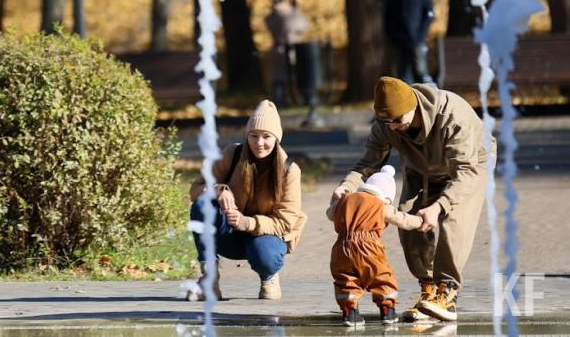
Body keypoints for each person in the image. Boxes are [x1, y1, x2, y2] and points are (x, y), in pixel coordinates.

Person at [330, 77, 492, 323]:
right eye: (387, 122)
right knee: (408, 216)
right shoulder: (386, 124)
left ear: (414, 106)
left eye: (398, 120)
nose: (393, 127)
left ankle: (447, 292)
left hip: (469, 165)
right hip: (421, 167)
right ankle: (428, 288)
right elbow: (367, 164)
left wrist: (439, 206)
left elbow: (465, 171)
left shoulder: (451, 115)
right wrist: (346, 186)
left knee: (453, 221)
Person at [187, 100, 307, 301]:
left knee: (265, 254)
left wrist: (247, 222)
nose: (259, 143)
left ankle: (268, 276)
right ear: (247, 135)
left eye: (266, 137)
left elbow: (286, 221)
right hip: (230, 235)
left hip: (265, 238)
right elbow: (196, 189)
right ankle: (210, 279)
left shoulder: (289, 170)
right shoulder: (231, 155)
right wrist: (218, 190)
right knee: (202, 205)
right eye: (254, 136)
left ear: (277, 139)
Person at [327, 165, 423, 327]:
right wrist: (420, 221)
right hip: (369, 247)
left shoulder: (346, 200)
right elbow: (402, 220)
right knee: (381, 276)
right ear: (386, 196)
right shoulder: (380, 204)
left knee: (346, 278)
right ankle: (387, 311)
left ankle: (350, 313)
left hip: (342, 247)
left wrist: (337, 200)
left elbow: (330, 213)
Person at [384, 0, 435, 84]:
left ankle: (425, 100)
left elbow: (428, 16)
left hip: (418, 39)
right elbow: (388, 18)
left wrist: (421, 36)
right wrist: (393, 36)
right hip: (400, 41)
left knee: (420, 72)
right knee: (403, 76)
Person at [264, 0, 309, 110]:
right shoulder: (291, 14)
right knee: (297, 77)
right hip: (293, 49)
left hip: (276, 50)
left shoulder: (271, 16)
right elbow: (304, 27)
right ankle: (302, 101)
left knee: (278, 79)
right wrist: (297, 10)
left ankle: (280, 103)